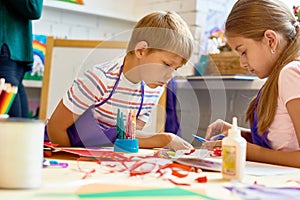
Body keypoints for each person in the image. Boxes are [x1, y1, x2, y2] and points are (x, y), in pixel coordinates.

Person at [46, 11, 194, 151]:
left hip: (99, 159)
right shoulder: (99, 79)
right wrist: (73, 161)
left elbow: (128, 138)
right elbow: (56, 128)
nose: (170, 76)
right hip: (61, 151)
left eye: (176, 68)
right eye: (167, 65)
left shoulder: (154, 90)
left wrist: (166, 139)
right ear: (141, 51)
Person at [205, 0, 300, 168]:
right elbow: (285, 144)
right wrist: (238, 135)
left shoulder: (290, 74)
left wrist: (249, 151)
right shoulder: (277, 79)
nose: (242, 63)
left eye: (243, 52)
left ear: (270, 40)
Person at [0, 0, 43, 118]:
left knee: (17, 128)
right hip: (10, 49)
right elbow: (33, 7)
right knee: (16, 128)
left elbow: (33, 8)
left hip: (10, 49)